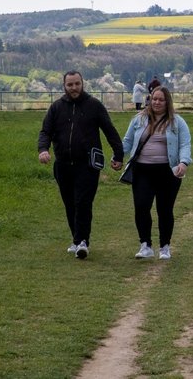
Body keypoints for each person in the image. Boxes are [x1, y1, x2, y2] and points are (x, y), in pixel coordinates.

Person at [38, 70, 124, 260]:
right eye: (70, 85)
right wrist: (43, 149)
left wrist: (118, 154)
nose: (74, 88)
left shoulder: (94, 106)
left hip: (87, 165)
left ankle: (82, 241)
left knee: (82, 202)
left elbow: (109, 130)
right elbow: (45, 131)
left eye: (77, 84)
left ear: (82, 84)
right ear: (64, 86)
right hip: (63, 165)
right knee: (70, 204)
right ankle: (77, 239)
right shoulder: (56, 108)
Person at [122, 86, 191, 260]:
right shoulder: (139, 119)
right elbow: (127, 141)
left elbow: (185, 144)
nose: (157, 102)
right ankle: (145, 245)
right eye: (154, 99)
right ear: (149, 100)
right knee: (141, 206)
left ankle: (164, 247)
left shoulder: (177, 122)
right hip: (142, 170)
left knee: (165, 209)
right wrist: (117, 156)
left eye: (161, 100)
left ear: (167, 102)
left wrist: (183, 162)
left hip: (168, 172)